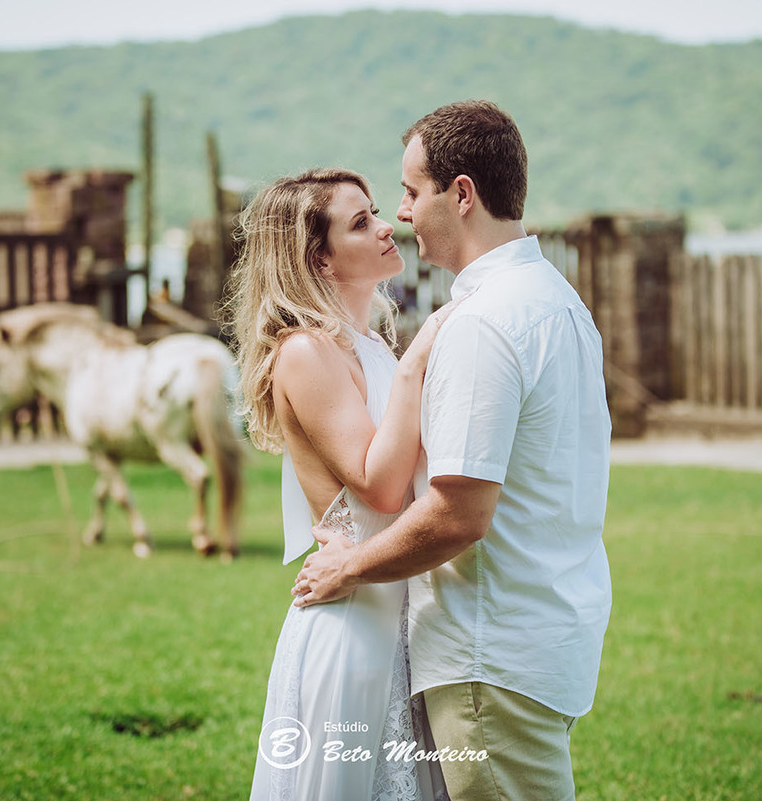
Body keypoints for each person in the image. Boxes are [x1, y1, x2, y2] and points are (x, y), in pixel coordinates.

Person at [292, 100, 613, 801]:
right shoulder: (556, 300)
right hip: (545, 631)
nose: (400, 214)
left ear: (461, 194)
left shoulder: (482, 324)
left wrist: (350, 565)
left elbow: (458, 513)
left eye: (410, 192)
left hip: (489, 651)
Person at [227, 168, 452, 800]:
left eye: (376, 212)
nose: (388, 227)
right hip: (354, 623)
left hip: (400, 607)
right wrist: (417, 364)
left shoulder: (369, 346)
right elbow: (380, 489)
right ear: (319, 258)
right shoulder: (305, 351)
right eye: (361, 223)